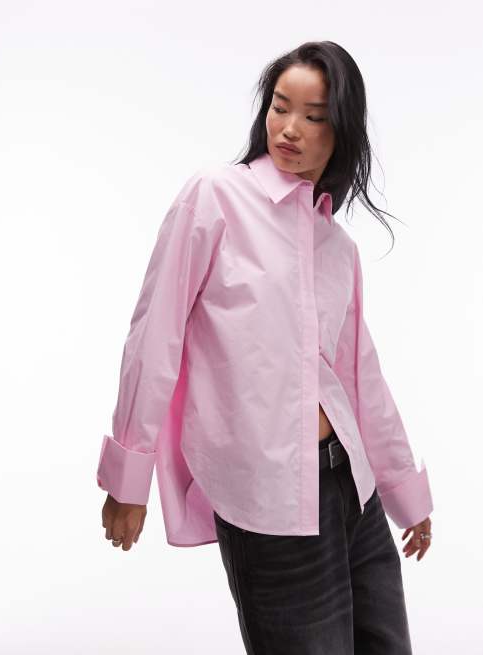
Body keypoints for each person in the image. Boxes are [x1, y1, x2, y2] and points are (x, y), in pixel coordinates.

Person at [97, 40, 433, 654]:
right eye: (280, 107)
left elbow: (362, 380)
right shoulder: (214, 197)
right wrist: (128, 477)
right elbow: (155, 335)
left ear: (343, 132)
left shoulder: (336, 247)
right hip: (270, 506)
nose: (290, 129)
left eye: (314, 116)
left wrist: (405, 491)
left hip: (353, 491)